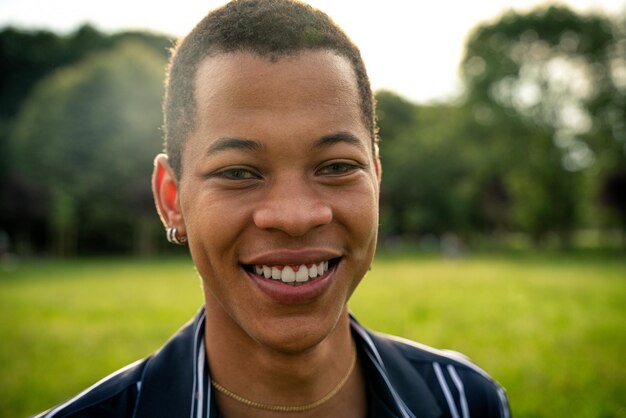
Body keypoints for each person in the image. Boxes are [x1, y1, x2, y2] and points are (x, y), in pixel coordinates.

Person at [35, 0, 510, 417]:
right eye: (239, 172)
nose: (295, 215)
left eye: (336, 166)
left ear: (376, 180)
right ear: (172, 200)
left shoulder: (468, 402)